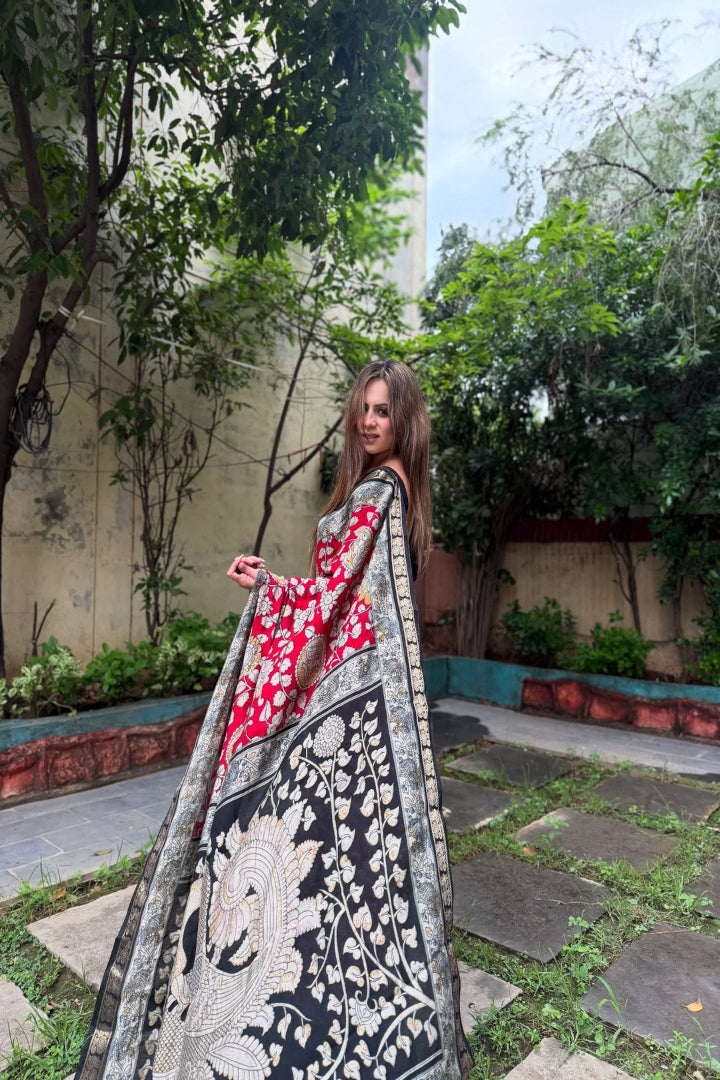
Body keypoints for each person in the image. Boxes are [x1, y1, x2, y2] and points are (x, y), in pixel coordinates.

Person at [77, 359, 472, 1080]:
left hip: (352, 698)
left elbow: (338, 609)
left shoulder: (385, 493)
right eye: (363, 409)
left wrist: (276, 599)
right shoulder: (391, 495)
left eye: (383, 411)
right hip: (369, 698)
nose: (368, 421)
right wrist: (277, 587)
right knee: (352, 862)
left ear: (406, 420)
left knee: (311, 842)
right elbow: (337, 597)